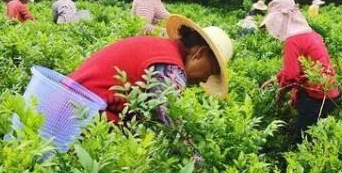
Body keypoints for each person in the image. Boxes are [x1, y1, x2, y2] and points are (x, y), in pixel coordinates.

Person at [69, 15, 232, 128]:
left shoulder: (159, 48)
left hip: (67, 105)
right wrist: (199, 167)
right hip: (77, 117)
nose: (204, 80)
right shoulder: (171, 67)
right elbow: (171, 127)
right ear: (199, 54)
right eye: (210, 71)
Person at [260, 0, 340, 144]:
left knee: (302, 142)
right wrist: (275, 80)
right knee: (318, 138)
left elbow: (291, 76)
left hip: (315, 97)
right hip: (329, 93)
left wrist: (280, 94)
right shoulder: (311, 34)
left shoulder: (293, 40)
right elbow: (298, 69)